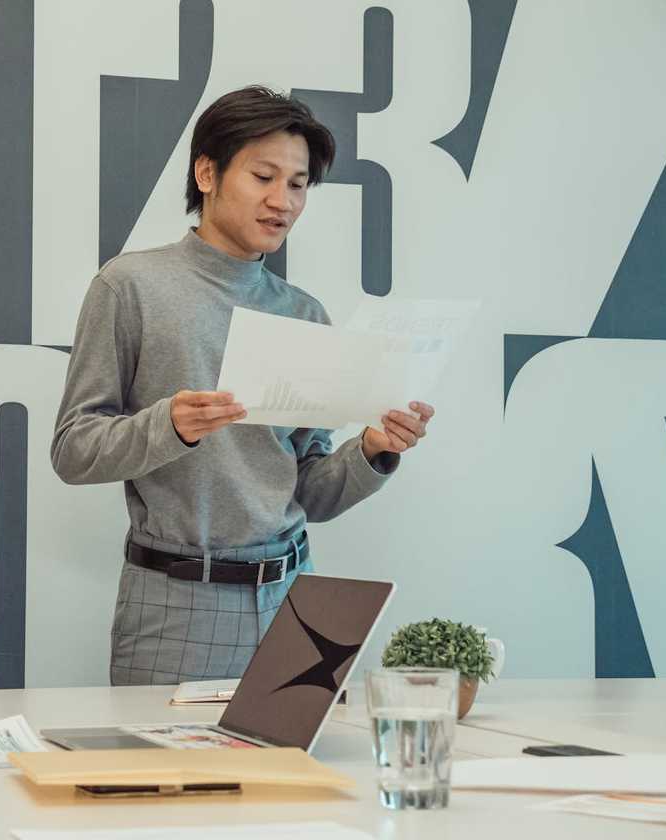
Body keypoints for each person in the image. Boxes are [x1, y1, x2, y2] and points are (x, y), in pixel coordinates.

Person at [51, 86, 434, 686]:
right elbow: (73, 450)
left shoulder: (305, 314)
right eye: (263, 176)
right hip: (178, 604)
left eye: (299, 184)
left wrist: (373, 450)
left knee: (289, 779)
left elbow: (313, 492)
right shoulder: (128, 287)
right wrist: (169, 425)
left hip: (296, 601)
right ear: (207, 172)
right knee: (171, 781)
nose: (282, 200)